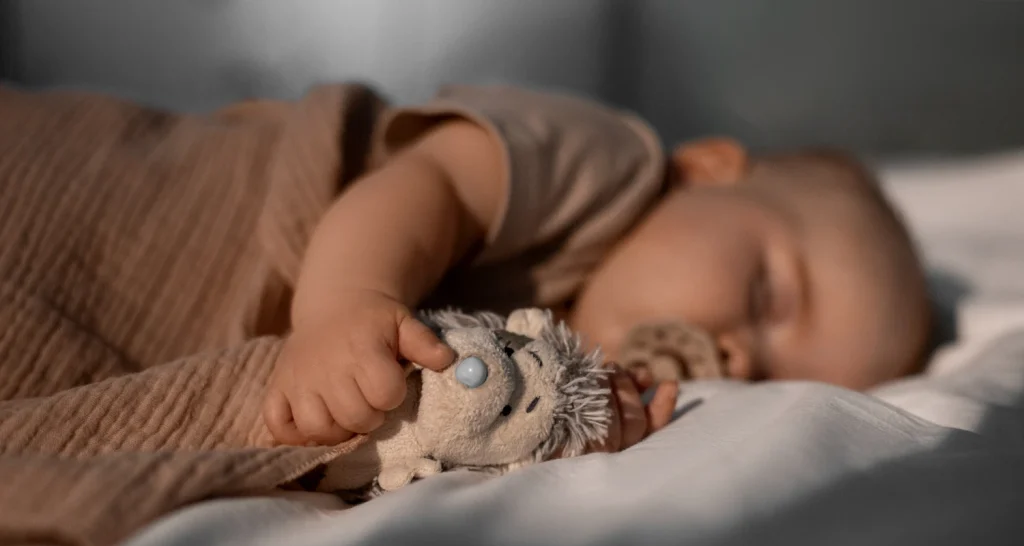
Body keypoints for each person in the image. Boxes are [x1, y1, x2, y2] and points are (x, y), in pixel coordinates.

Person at [261, 86, 932, 452]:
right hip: (255, 200)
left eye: (770, 382)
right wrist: (345, 302)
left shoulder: (587, 376)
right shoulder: (609, 165)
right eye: (764, 296)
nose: (739, 359)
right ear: (705, 171)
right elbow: (437, 183)